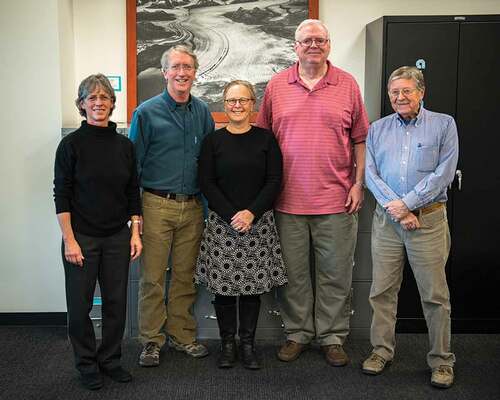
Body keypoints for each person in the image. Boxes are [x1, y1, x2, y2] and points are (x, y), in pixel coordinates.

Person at [256, 19, 369, 367]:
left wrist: (358, 182)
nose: (313, 45)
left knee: (336, 274)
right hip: (287, 202)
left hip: (337, 202)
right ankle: (298, 334)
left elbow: (360, 139)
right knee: (293, 275)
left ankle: (332, 337)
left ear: (329, 46)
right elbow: (262, 141)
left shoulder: (347, 85)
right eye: (307, 40)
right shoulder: (276, 86)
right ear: (295, 46)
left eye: (320, 40)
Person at [363, 66, 458, 389]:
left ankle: (442, 360)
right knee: (382, 292)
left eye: (406, 91)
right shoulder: (377, 129)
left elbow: (444, 173)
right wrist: (399, 210)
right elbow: (371, 176)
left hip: (428, 221)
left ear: (421, 92)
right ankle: (381, 351)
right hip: (387, 223)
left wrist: (409, 204)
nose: (400, 97)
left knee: (434, 296)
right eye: (394, 93)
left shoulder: (444, 125)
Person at [53, 74, 142, 390]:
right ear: (81, 104)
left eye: (105, 97)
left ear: (112, 103)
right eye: (92, 97)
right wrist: (69, 240)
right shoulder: (71, 145)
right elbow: (61, 194)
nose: (99, 103)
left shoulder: (124, 145)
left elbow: (133, 191)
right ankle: (87, 364)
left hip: (118, 236)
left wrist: (135, 233)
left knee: (117, 304)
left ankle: (110, 360)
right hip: (82, 239)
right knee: (80, 308)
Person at [129, 45, 215, 367]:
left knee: (184, 276)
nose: (182, 73)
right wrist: (134, 217)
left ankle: (182, 336)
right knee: (151, 277)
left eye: (188, 67)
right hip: (155, 205)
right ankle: (151, 340)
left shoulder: (203, 112)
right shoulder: (146, 113)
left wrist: (207, 211)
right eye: (176, 67)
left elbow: (207, 163)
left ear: (195, 73)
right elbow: (133, 166)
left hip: (192, 207)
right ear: (165, 72)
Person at [195, 80, 286, 370]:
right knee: (223, 289)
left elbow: (274, 181)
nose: (237, 105)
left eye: (243, 100)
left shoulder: (266, 139)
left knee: (251, 289)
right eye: (231, 100)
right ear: (224, 105)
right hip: (222, 226)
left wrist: (251, 213)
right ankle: (228, 345)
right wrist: (232, 214)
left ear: (253, 105)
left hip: (258, 224)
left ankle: (247, 345)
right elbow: (206, 183)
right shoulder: (213, 141)